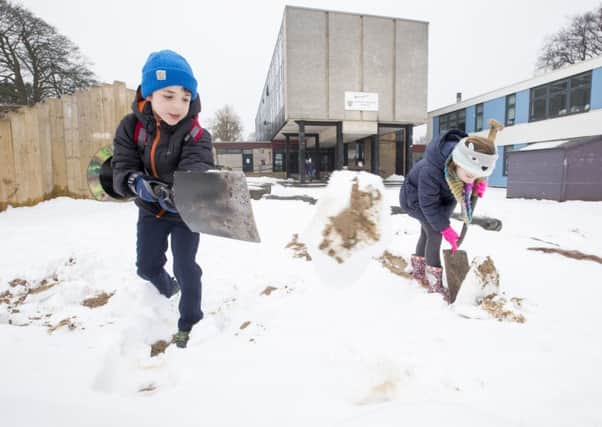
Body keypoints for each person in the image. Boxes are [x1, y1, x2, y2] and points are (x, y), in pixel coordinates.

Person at [111, 50, 214, 348]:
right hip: (149, 209)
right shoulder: (131, 128)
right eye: (168, 95)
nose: (178, 105)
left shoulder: (196, 133)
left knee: (186, 266)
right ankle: (167, 287)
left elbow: (196, 167)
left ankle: (190, 322)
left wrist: (181, 193)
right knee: (145, 266)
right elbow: (122, 166)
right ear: (149, 93)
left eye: (185, 97)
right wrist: (135, 183)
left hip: (184, 214)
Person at [399, 129, 497, 300]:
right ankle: (434, 282)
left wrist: (474, 187)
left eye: (476, 177)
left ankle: (418, 270)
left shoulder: (463, 169)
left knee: (428, 231)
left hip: (442, 198)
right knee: (435, 232)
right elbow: (428, 205)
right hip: (415, 199)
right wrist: (445, 228)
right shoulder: (431, 170)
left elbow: (462, 185)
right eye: (469, 176)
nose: (471, 179)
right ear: (458, 162)